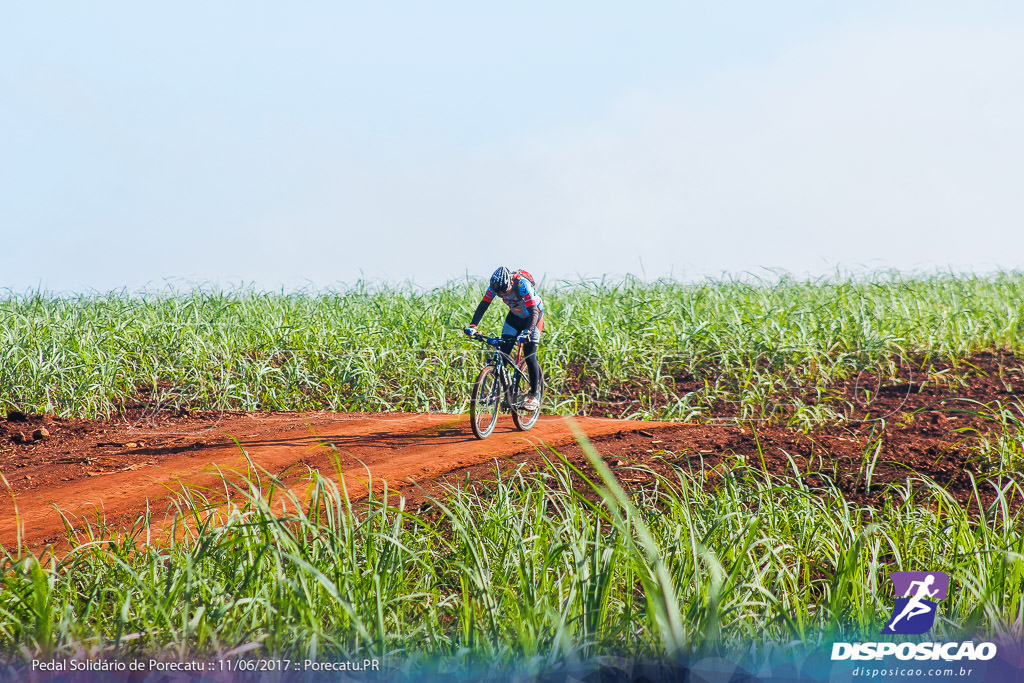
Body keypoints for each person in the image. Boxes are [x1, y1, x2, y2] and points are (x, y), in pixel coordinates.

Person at [464, 266, 544, 410]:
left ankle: (534, 394)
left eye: (504, 292)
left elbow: (533, 311)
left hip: (533, 317)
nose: (502, 295)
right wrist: (473, 325)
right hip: (514, 317)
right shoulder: (495, 287)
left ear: (510, 284)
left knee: (529, 354)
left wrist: (527, 332)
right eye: (498, 294)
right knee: (503, 352)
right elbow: (483, 305)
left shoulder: (521, 284)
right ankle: (506, 392)